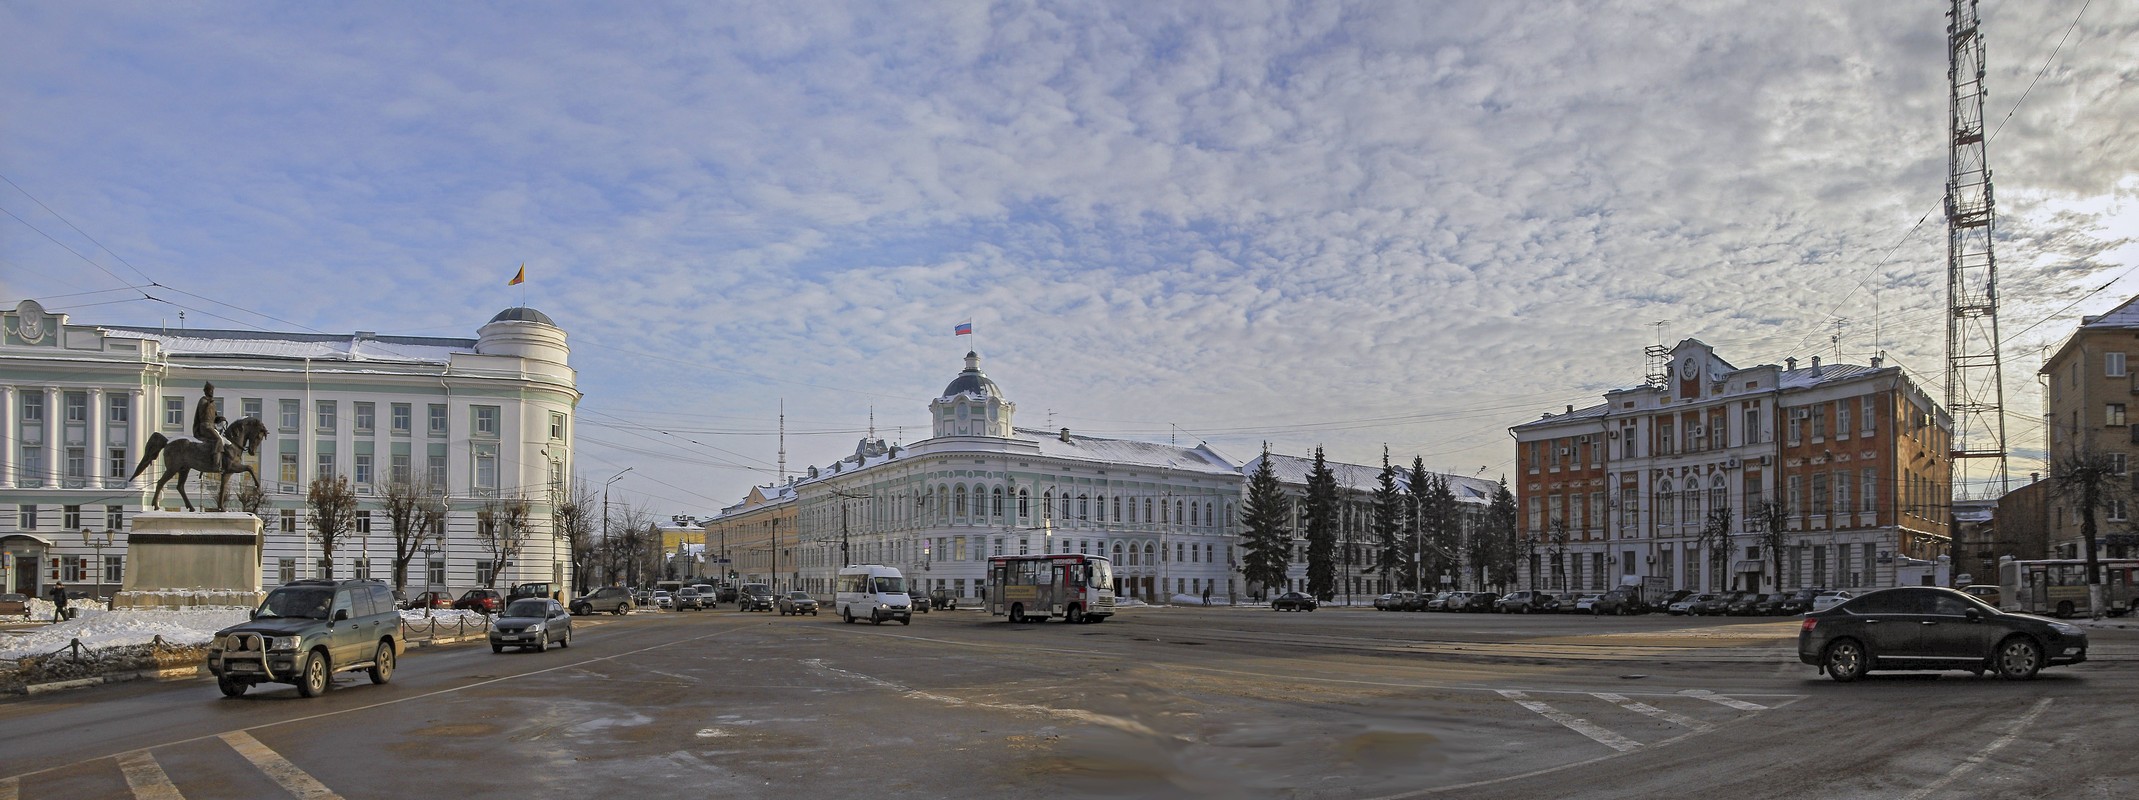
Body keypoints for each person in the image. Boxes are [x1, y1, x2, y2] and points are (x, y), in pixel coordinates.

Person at [191, 382, 232, 464]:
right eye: (210, 390)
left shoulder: (212, 403)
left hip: (211, 426)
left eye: (213, 390)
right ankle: (215, 462)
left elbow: (214, 417)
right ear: (206, 391)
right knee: (218, 439)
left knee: (223, 439)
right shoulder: (203, 400)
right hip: (204, 426)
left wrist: (219, 418)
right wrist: (208, 405)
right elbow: (203, 413)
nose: (212, 392)